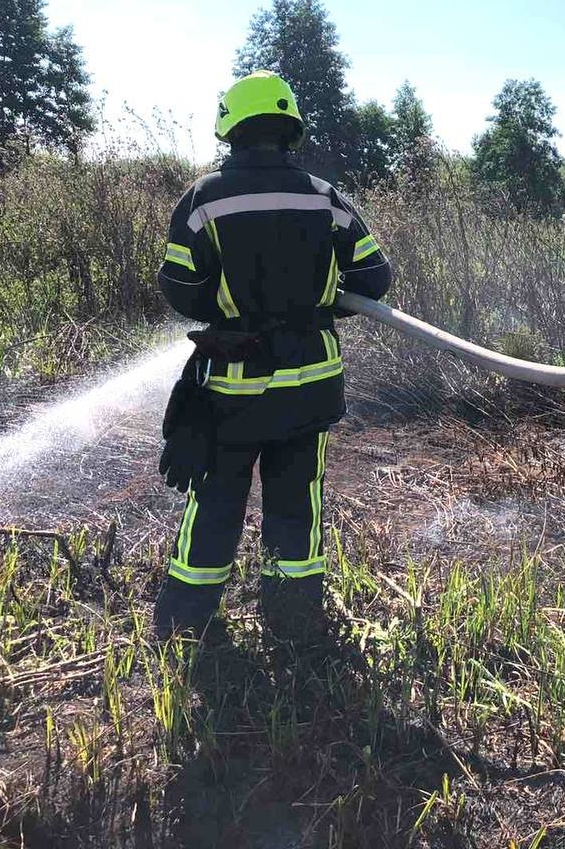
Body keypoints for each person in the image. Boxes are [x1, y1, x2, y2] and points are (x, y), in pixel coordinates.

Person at [153, 70, 392, 642]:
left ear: (231, 126)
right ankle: (292, 616)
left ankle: (189, 621)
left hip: (234, 390)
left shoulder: (205, 197)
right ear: (289, 127)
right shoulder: (324, 197)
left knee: (215, 498)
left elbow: (179, 286)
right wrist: (318, 303)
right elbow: (374, 277)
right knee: (296, 501)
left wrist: (232, 314)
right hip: (310, 387)